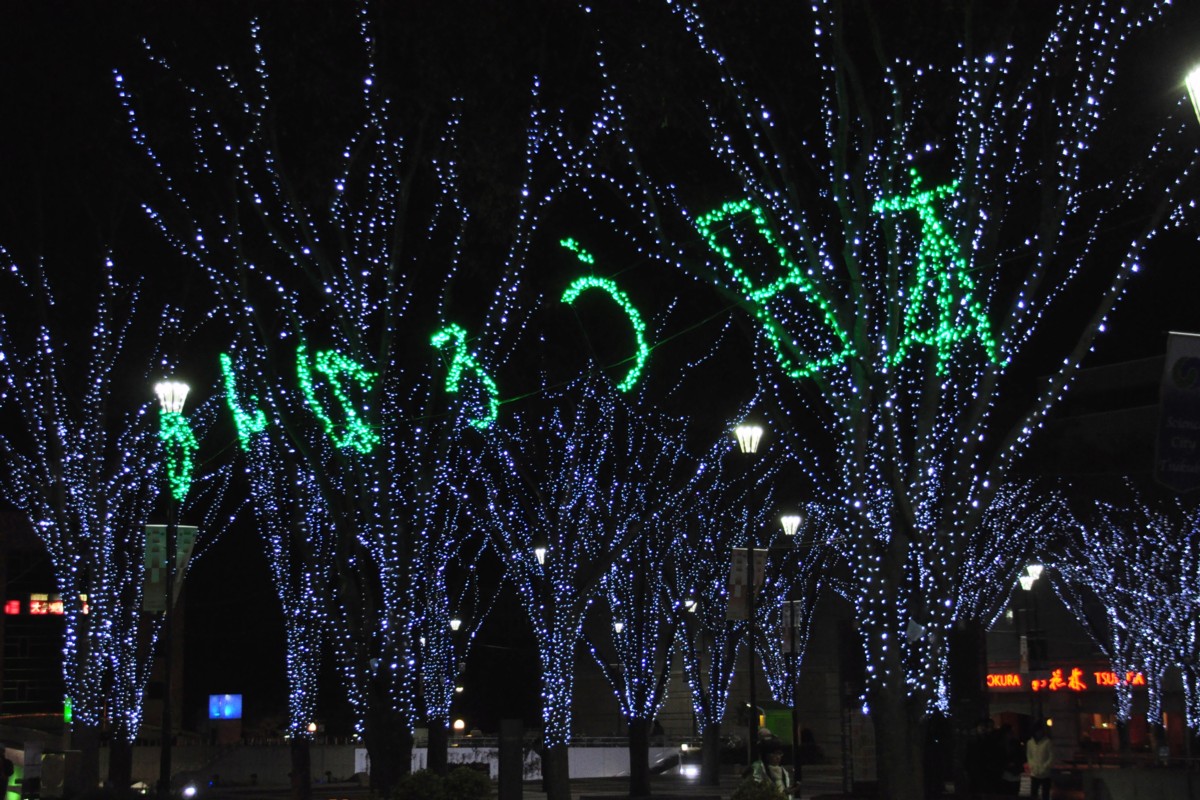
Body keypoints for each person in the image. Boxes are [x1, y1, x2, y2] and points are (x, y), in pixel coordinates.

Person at [1026, 723, 1054, 800]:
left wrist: (1046, 766)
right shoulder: (1030, 743)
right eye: (1037, 731)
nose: (1039, 733)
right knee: (1033, 793)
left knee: (1045, 794)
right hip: (1034, 773)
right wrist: (1032, 766)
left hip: (1045, 773)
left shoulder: (1047, 742)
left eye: (1040, 731)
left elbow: (1051, 756)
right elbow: (1029, 755)